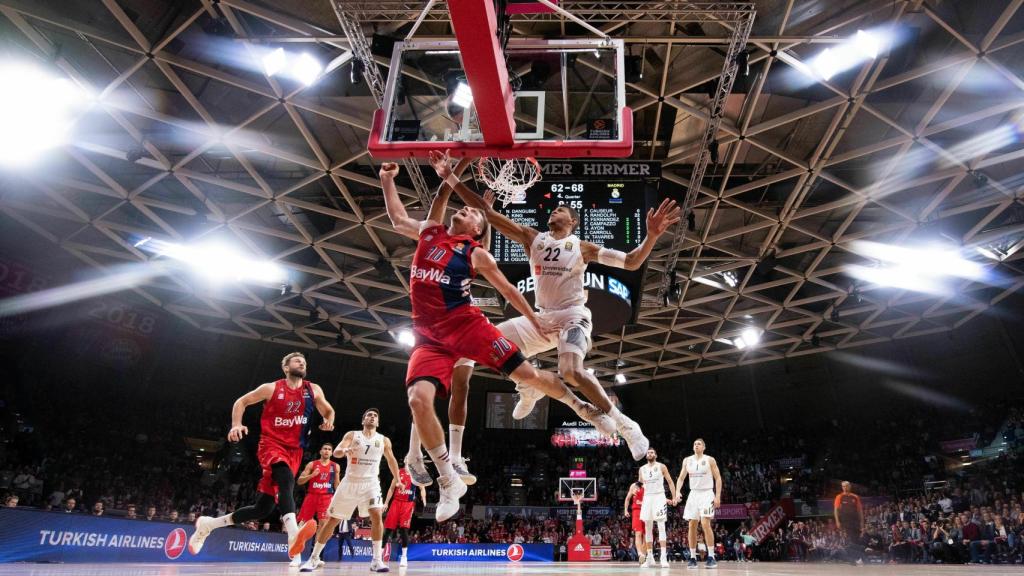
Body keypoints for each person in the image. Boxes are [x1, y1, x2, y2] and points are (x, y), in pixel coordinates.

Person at [428, 150, 682, 471]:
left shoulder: (582, 247)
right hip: (541, 318)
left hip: (573, 316)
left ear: (572, 222)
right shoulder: (532, 237)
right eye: (553, 207)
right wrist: (449, 177)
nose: (554, 209)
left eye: (561, 208)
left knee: (572, 372)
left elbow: (632, 262)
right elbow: (484, 213)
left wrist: (652, 236)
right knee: (487, 342)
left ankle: (625, 424)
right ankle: (528, 386)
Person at [380, 160, 603, 519]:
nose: (464, 209)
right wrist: (387, 178)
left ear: (477, 230)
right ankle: (446, 476)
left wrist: (533, 318)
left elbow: (509, 289)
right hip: (428, 337)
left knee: (524, 377)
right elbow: (403, 213)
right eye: (463, 208)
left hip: (467, 326)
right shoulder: (430, 232)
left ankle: (579, 407)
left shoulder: (476, 253)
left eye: (471, 212)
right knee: (418, 400)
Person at [188, 352, 335, 566]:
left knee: (262, 509)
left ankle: (208, 525)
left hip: (296, 451)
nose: (302, 363)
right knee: (286, 480)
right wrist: (236, 424)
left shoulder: (313, 390)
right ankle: (293, 535)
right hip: (272, 444)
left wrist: (328, 421)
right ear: (285, 367)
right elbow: (242, 401)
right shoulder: (272, 388)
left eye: (304, 361)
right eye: (296, 361)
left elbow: (328, 410)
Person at [301, 408, 400, 573]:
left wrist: (397, 478)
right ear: (363, 420)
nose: (372, 417)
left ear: (378, 422)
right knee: (332, 520)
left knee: (376, 514)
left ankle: (376, 560)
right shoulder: (352, 435)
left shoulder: (383, 440)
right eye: (369, 415)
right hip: (350, 482)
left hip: (371, 483)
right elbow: (338, 451)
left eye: (375, 416)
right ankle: (314, 558)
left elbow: (391, 460)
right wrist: (344, 450)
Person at [675, 438, 722, 569]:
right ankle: (692, 557)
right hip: (693, 494)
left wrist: (717, 496)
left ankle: (711, 556)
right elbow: (680, 478)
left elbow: (718, 478)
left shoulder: (709, 460)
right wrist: (677, 491)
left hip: (707, 493)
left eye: (699, 444)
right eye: (695, 444)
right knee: (692, 525)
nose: (696, 445)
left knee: (705, 523)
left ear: (704, 447)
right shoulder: (687, 460)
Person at [637, 448, 678, 568]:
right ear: (646, 456)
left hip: (659, 497)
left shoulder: (662, 466)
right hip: (647, 498)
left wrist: (674, 497)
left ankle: (663, 557)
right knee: (647, 527)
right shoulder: (642, 469)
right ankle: (649, 558)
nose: (650, 454)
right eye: (648, 453)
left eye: (652, 453)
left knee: (661, 526)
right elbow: (640, 485)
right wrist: (637, 493)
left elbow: (670, 482)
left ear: (656, 455)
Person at [383, 463, 426, 568]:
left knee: (404, 530)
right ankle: (378, 556)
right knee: (388, 529)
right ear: (406, 461)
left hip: (408, 504)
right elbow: (391, 488)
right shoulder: (398, 472)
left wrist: (424, 498)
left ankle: (404, 557)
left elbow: (422, 488)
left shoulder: (416, 474)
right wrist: (386, 503)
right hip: (396, 502)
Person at [297, 443, 341, 526]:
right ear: (320, 451)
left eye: (329, 449)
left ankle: (318, 540)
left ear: (331, 453)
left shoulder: (335, 466)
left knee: (324, 524)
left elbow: (336, 485)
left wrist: (339, 499)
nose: (326, 451)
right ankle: (298, 538)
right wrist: (311, 475)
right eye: (325, 449)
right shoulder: (312, 464)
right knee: (303, 523)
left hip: (326, 497)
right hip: (312, 496)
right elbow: (299, 481)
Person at [834, 480, 864, 564]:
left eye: (846, 486)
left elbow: (860, 511)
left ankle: (857, 558)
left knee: (856, 540)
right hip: (845, 523)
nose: (845, 488)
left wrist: (862, 523)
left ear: (850, 486)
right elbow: (836, 510)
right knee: (849, 541)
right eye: (843, 486)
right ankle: (853, 559)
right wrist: (837, 522)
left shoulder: (855, 497)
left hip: (855, 522)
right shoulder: (839, 497)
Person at [623, 481, 648, 565]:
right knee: (638, 533)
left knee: (646, 536)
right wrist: (625, 510)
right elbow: (627, 499)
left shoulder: (649, 484)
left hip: (647, 511)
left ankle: (643, 556)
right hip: (636, 511)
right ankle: (640, 553)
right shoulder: (633, 485)